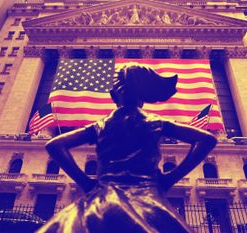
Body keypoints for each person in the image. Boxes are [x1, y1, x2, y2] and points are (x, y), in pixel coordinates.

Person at [38, 64, 217, 233]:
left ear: (114, 95)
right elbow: (207, 139)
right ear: (144, 96)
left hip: (102, 199)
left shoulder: (101, 125)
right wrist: (170, 178)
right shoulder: (156, 123)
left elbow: (54, 144)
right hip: (147, 197)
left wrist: (87, 183)